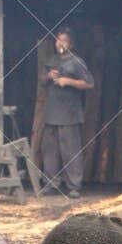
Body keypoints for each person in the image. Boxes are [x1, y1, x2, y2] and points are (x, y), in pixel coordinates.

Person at [39, 29, 94, 199]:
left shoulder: (76, 62)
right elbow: (42, 82)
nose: (60, 43)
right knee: (50, 151)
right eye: (58, 40)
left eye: (64, 41)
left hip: (70, 114)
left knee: (71, 150)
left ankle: (74, 186)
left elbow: (89, 84)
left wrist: (68, 81)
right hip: (52, 113)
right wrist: (48, 76)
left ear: (71, 44)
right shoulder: (52, 60)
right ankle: (51, 183)